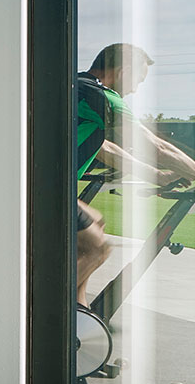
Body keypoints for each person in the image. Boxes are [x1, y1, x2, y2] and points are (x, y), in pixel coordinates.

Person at [75, 43, 195, 304]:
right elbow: (157, 147)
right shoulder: (100, 94)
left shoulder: (79, 88)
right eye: (137, 80)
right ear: (123, 70)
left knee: (96, 222)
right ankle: (48, 312)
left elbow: (106, 149)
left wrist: (156, 175)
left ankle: (78, 308)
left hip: (41, 184)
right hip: (42, 187)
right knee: (97, 247)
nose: (134, 89)